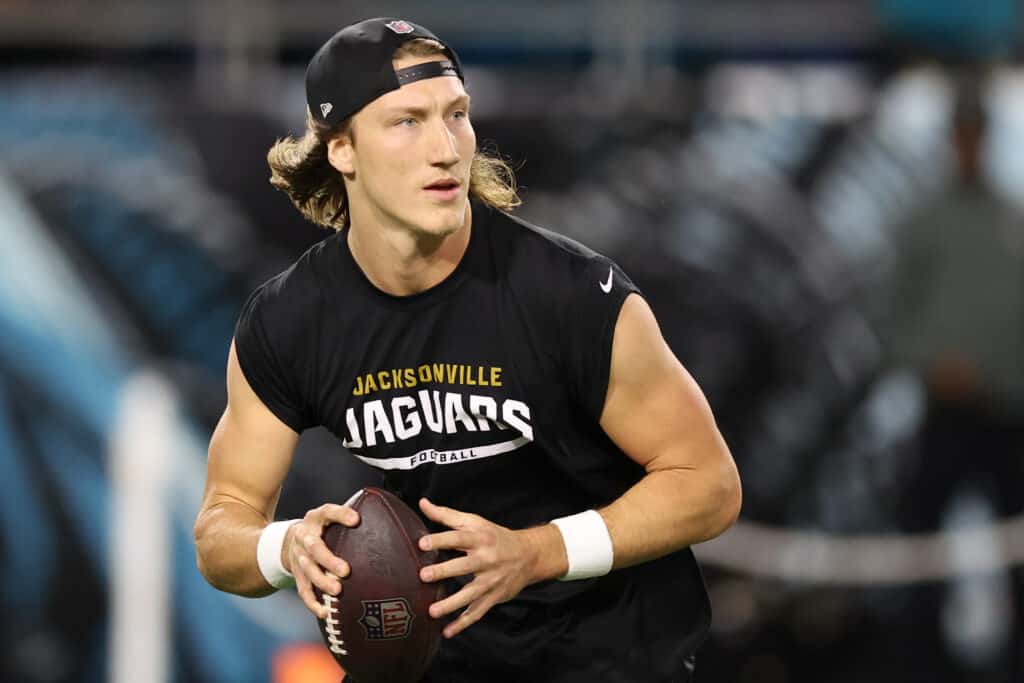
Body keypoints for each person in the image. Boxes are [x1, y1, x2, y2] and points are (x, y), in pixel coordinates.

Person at [193, 17, 741, 682]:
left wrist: (537, 551)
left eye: (456, 115)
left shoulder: (567, 294)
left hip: (607, 657)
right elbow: (221, 531)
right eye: (408, 122)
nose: (446, 148)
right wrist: (288, 547)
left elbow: (708, 484)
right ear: (342, 149)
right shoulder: (292, 318)